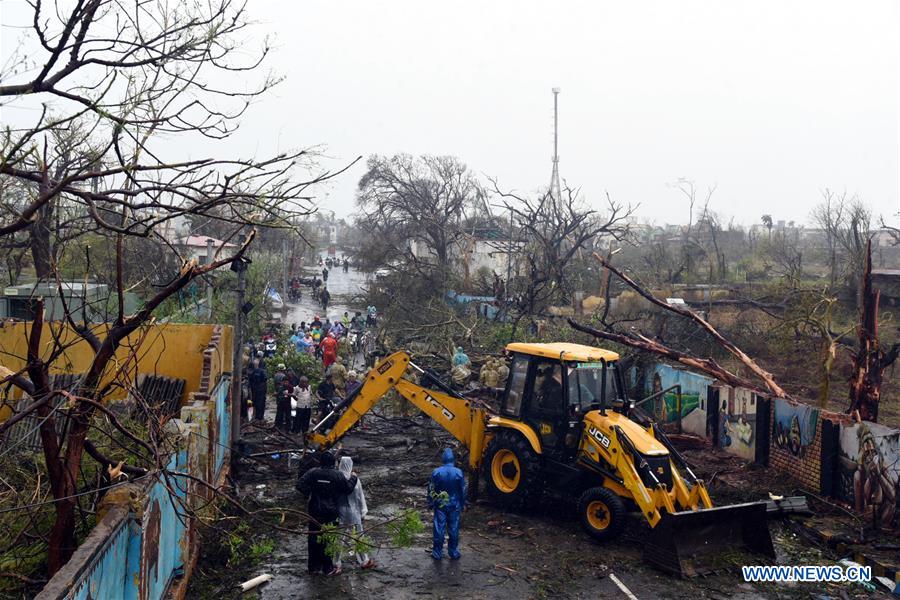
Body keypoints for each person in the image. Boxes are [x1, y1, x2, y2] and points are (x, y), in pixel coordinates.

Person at [296, 451, 358, 576]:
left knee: (313, 538)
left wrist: (310, 492)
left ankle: (313, 567)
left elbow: (299, 484)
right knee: (329, 539)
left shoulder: (313, 472)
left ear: (321, 461)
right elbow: (348, 489)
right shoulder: (337, 475)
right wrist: (354, 478)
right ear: (333, 462)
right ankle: (327, 568)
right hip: (331, 511)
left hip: (314, 509)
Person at [335, 456, 376, 572]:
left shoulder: (337, 477)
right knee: (358, 536)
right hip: (353, 511)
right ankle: (364, 560)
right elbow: (360, 496)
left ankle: (335, 562)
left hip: (340, 510)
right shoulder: (355, 479)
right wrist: (363, 511)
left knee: (339, 537)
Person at [428, 448, 466, 560]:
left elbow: (431, 488)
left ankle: (437, 553)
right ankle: (453, 552)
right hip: (454, 504)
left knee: (439, 528)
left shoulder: (436, 472)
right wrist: (463, 503)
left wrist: (430, 501)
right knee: (453, 528)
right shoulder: (459, 472)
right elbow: (462, 490)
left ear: (443, 459)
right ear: (453, 459)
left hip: (440, 504)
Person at [273, 364, 291, 430]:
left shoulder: (275, 375)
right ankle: (282, 422)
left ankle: (278, 424)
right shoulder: (284, 376)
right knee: (283, 410)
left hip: (278, 392)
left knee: (279, 407)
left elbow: (274, 384)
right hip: (283, 393)